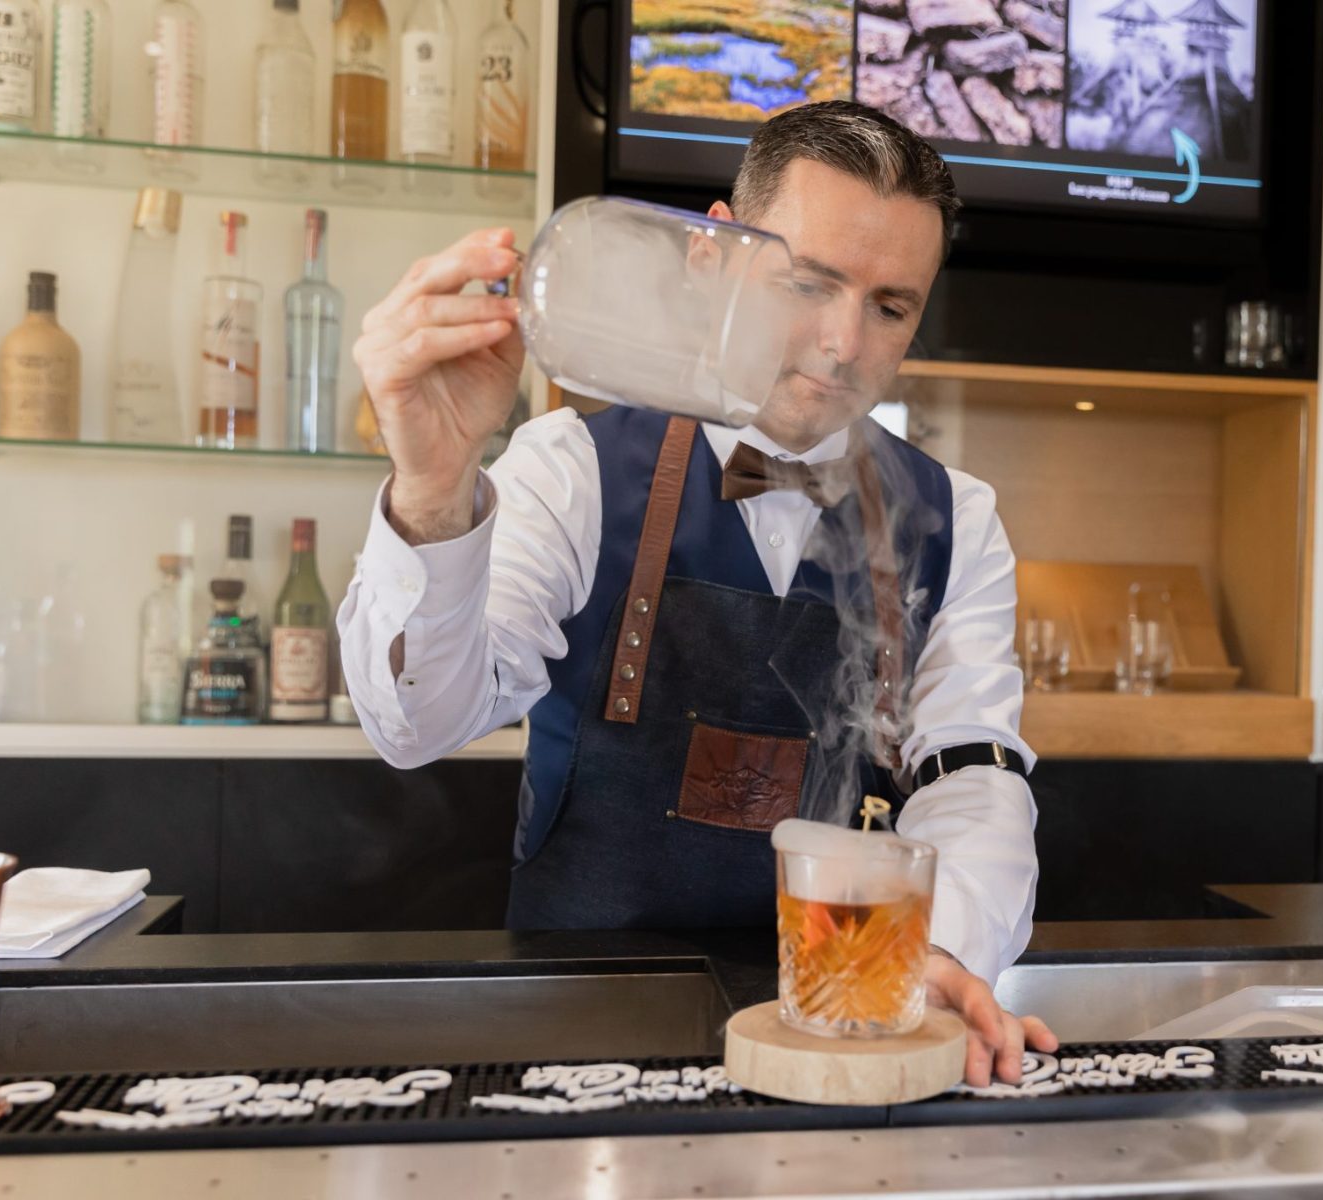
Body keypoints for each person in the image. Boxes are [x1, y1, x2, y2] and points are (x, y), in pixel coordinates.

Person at [339, 100, 1055, 1085]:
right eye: (809, 284)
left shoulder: (956, 518)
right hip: (573, 1039)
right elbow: (415, 724)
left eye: (890, 308)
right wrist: (430, 490)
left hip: (840, 1043)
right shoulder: (571, 468)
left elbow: (970, 780)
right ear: (713, 254)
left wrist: (939, 958)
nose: (843, 343)